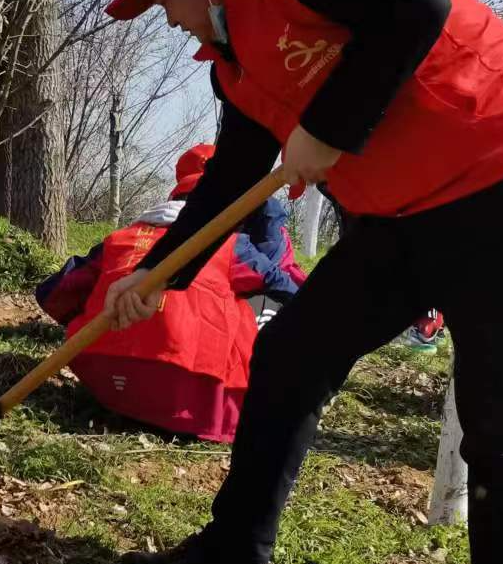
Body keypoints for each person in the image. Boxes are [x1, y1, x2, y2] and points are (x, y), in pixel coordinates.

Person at [102, 0, 503, 564]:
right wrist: (157, 278)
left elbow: (413, 4)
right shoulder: (233, 66)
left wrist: (329, 124)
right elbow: (230, 183)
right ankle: (232, 548)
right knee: (289, 353)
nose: (169, 20)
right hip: (403, 215)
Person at [36, 144, 305, 442]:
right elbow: (285, 286)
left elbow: (54, 292)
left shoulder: (120, 238)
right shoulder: (235, 245)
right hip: (189, 392)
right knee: (248, 304)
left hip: (103, 380)